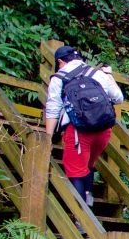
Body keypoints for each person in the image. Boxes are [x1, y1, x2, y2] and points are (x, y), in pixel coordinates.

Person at [44, 45, 124, 208]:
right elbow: (118, 98)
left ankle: (81, 219)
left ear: (60, 61)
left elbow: (53, 109)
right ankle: (88, 195)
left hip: (79, 131)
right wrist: (109, 76)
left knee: (75, 171)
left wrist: (47, 138)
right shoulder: (99, 74)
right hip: (103, 130)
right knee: (87, 164)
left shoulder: (59, 78)